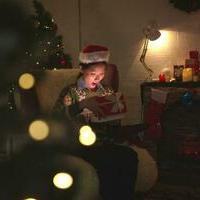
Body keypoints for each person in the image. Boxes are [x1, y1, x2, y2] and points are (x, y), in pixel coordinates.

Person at [53, 45, 139, 200]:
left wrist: (114, 119)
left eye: (101, 74)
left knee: (129, 156)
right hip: (78, 145)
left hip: (104, 142)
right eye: (93, 74)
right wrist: (80, 106)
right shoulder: (70, 92)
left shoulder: (106, 91)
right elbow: (55, 119)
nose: (97, 78)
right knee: (107, 162)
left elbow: (113, 124)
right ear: (81, 69)